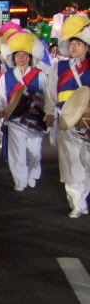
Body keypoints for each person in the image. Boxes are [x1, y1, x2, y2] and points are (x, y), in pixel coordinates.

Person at [44, 14, 90, 217]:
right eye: (71, 44)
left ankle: (82, 198)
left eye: (78, 44)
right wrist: (48, 113)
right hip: (66, 122)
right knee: (71, 163)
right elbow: (50, 94)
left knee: (87, 164)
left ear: (87, 47)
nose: (74, 47)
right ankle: (77, 203)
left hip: (88, 124)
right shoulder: (59, 68)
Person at [0, 32, 47, 191]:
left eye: (25, 55)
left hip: (34, 120)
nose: (21, 58)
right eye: (18, 55)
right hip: (15, 120)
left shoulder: (39, 75)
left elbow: (47, 97)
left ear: (30, 57)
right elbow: (0, 97)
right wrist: (1, 112)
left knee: (34, 152)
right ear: (13, 57)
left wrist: (42, 107)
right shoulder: (6, 77)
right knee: (17, 152)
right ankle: (20, 180)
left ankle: (33, 173)